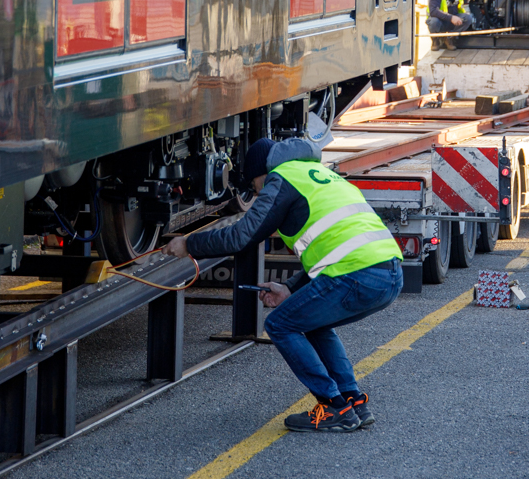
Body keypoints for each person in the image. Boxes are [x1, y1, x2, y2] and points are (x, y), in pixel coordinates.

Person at [164, 136, 403, 433]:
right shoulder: (322, 175)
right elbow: (332, 248)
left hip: (355, 276)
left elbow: (241, 236)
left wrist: (189, 243)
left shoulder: (281, 179)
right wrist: (290, 288)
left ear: (261, 173)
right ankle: (353, 401)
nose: (258, 194)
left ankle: (333, 406)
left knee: (279, 324)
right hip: (388, 273)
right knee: (312, 322)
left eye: (255, 187)